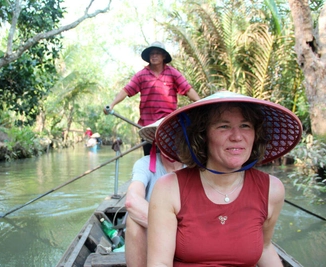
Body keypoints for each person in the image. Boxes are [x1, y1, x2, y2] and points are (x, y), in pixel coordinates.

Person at [147, 91, 302, 266]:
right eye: (224, 126)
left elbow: (265, 248)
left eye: (245, 126)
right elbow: (160, 263)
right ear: (202, 136)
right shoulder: (169, 188)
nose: (237, 137)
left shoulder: (272, 190)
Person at [103, 41, 200, 156]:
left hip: (167, 125)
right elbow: (127, 90)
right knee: (150, 159)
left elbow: (187, 89)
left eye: (157, 53)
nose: (154, 56)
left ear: (163, 56)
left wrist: (201, 103)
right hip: (147, 126)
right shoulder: (141, 75)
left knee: (169, 159)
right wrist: (112, 104)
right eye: (152, 54)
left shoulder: (172, 73)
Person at [124, 119, 184, 267]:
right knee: (133, 221)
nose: (170, 145)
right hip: (158, 233)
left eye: (175, 137)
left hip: (189, 232)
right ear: (157, 142)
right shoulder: (144, 164)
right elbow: (132, 200)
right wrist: (168, 228)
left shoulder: (196, 166)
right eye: (165, 138)